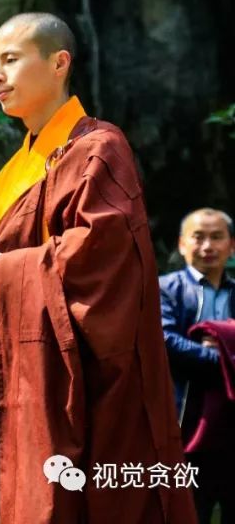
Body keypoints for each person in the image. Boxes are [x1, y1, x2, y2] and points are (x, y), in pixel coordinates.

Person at [0, 13, 195, 522]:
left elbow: (103, 257)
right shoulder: (11, 173)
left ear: (59, 63)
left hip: (71, 378)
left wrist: (9, 273)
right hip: (12, 368)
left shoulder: (100, 147)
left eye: (10, 60)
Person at [159, 208, 235, 523]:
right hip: (184, 422)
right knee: (188, 512)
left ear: (232, 246)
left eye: (217, 237)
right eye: (198, 237)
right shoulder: (165, 288)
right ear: (181, 244)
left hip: (231, 427)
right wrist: (225, 359)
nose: (207, 246)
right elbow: (163, 339)